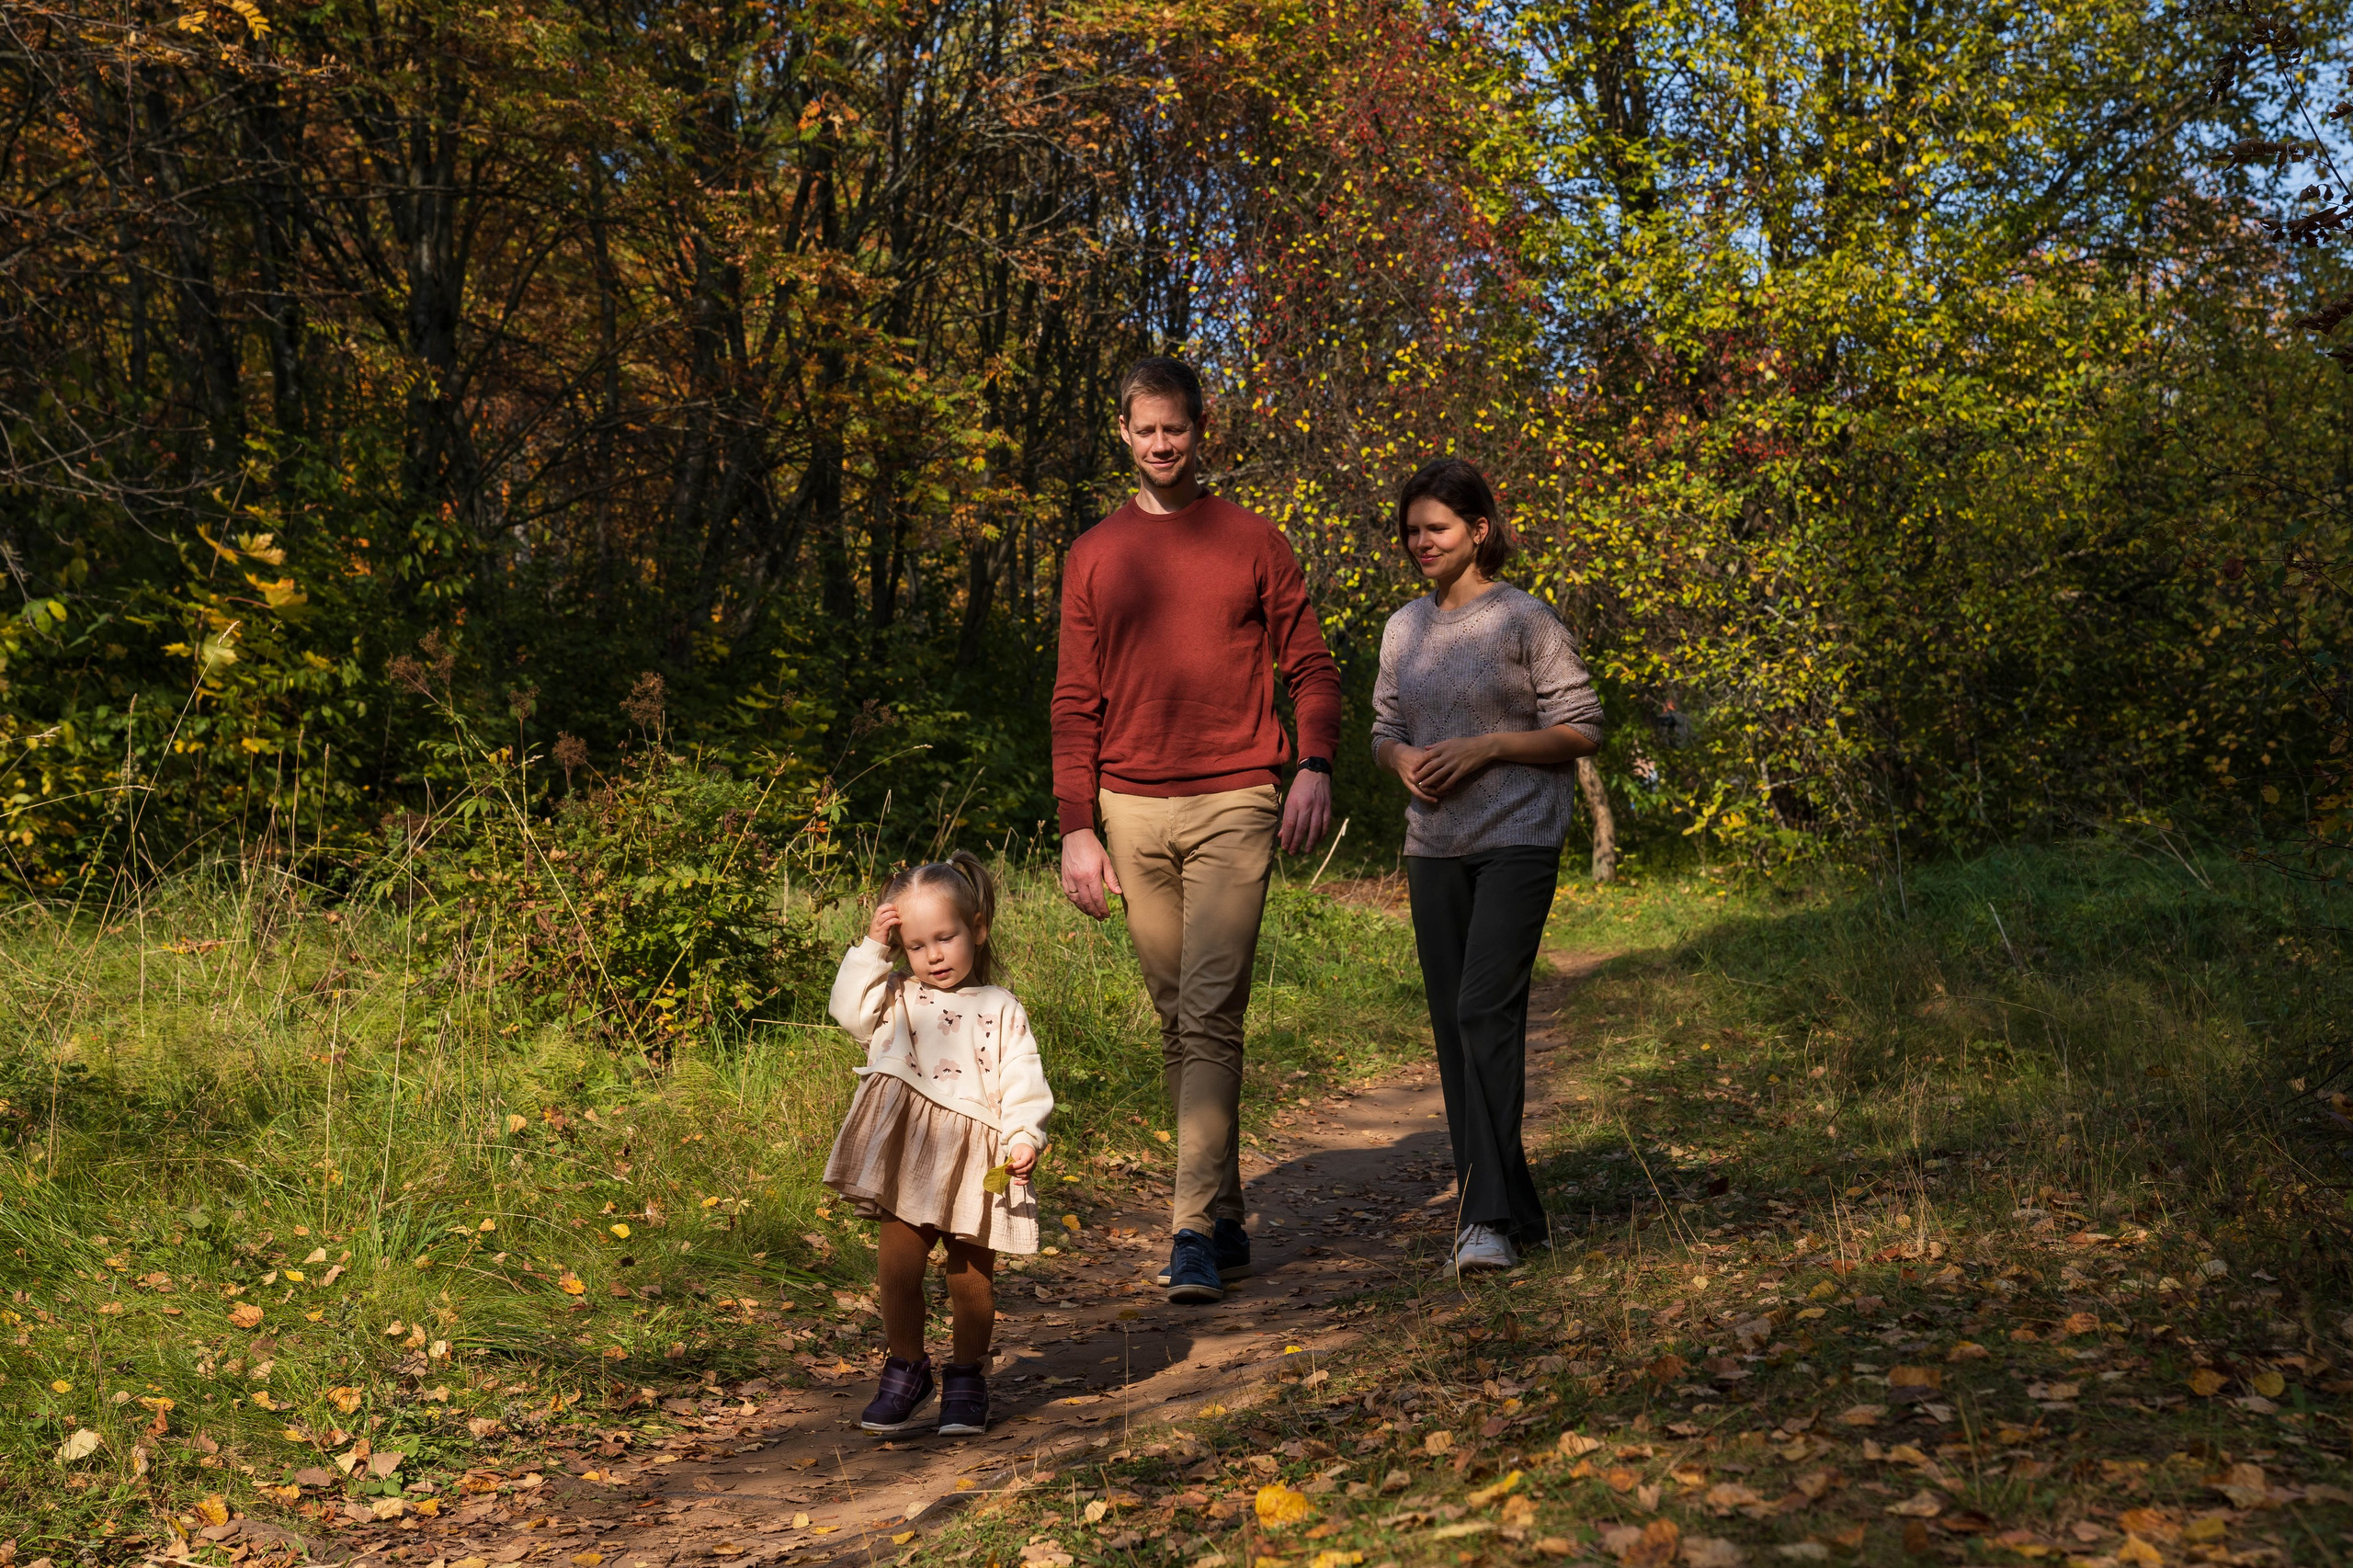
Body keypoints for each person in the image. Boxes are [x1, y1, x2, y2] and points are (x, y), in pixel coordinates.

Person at [1051, 354, 1341, 1304]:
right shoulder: (1095, 554)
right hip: (1129, 806)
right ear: (1123, 433)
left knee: (1210, 1012)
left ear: (1199, 428)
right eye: (1145, 429)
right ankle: (1223, 1210)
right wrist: (1077, 826)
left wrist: (1313, 765)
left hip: (1235, 799)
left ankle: (1186, 1233)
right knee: (1179, 1019)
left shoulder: (1253, 540)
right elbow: (1074, 699)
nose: (1161, 443)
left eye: (1174, 427)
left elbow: (1311, 667)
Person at [1370, 458, 1603, 1276]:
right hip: (1433, 844)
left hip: (1519, 836)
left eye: (1436, 528)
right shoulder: (1404, 628)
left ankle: (1484, 1219)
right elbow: (1384, 727)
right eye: (1411, 531)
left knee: (1483, 1011)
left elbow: (1583, 726)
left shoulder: (1525, 620)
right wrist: (1399, 758)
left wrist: (1490, 747)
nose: (1421, 542)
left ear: (1479, 530)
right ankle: (1516, 1211)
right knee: (1452, 1023)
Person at [823, 852, 1053, 1435]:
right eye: (916, 945)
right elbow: (846, 1013)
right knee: (898, 1269)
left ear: (977, 928)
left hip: (978, 1157)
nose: (933, 956)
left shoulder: (1000, 1007)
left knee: (970, 1279)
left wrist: (1024, 1136)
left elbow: (1022, 1079)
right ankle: (906, 1369)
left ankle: (968, 1376)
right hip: (908, 1152)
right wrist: (872, 949)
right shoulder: (893, 995)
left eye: (945, 938)